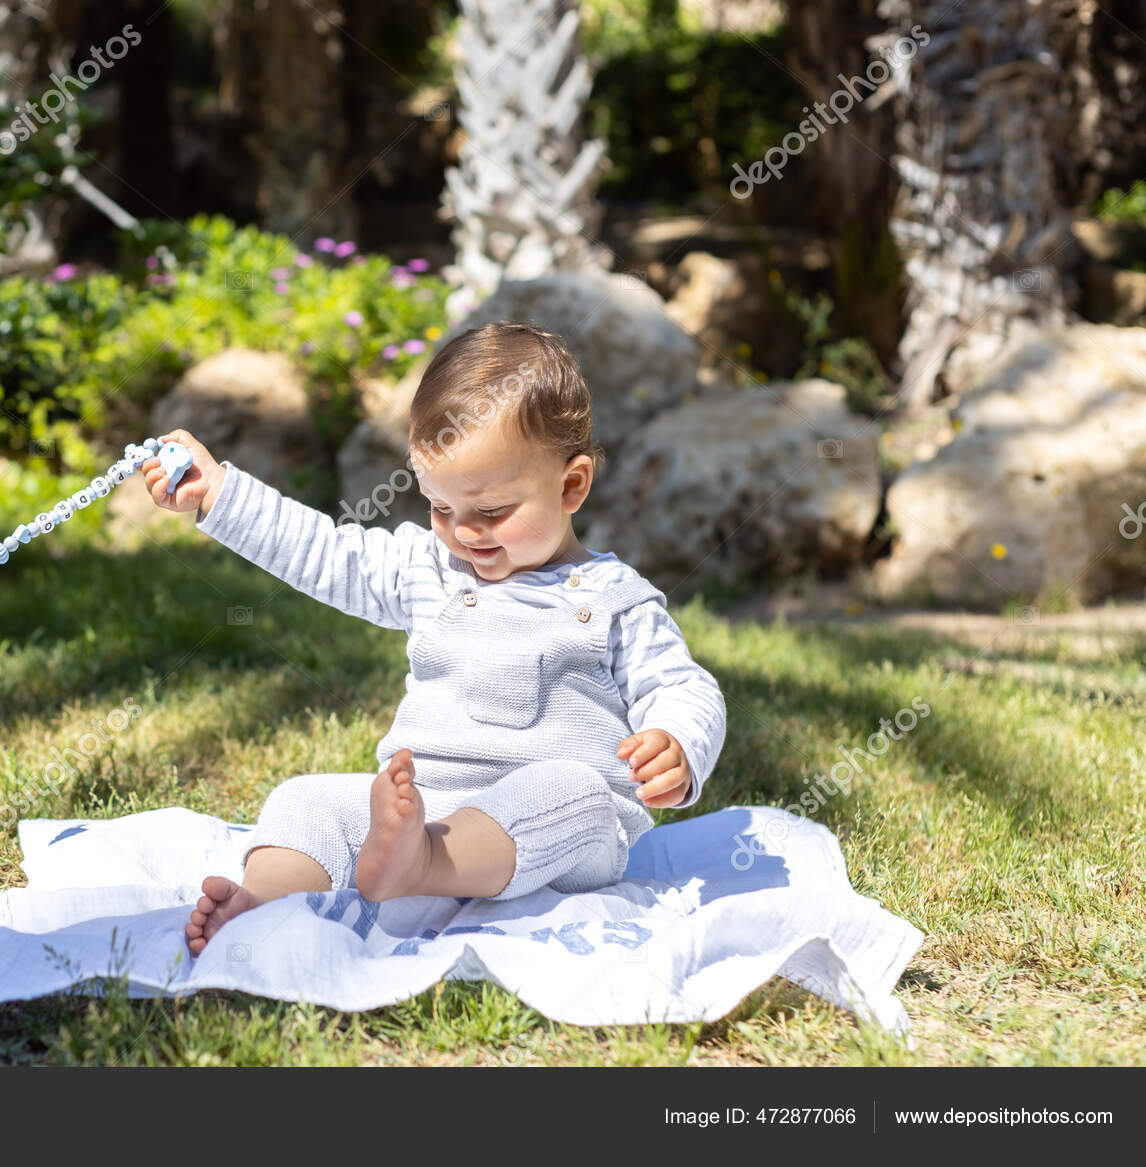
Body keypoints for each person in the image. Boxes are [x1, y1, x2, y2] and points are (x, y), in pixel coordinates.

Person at [138, 322, 727, 957]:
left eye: (492, 511)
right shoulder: (428, 572)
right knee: (304, 799)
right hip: (424, 804)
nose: (464, 532)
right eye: (440, 508)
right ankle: (263, 903)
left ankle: (424, 865)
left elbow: (683, 686)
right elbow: (320, 551)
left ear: (571, 486)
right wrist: (220, 495)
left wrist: (678, 743)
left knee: (575, 793)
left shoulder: (613, 598)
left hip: (555, 829)